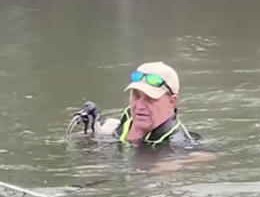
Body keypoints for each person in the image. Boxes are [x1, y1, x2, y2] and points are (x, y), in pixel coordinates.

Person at [82, 61, 216, 171]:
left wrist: (178, 162)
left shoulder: (176, 140)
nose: (140, 105)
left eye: (150, 98)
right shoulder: (128, 117)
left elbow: (210, 156)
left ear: (172, 101)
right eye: (136, 95)